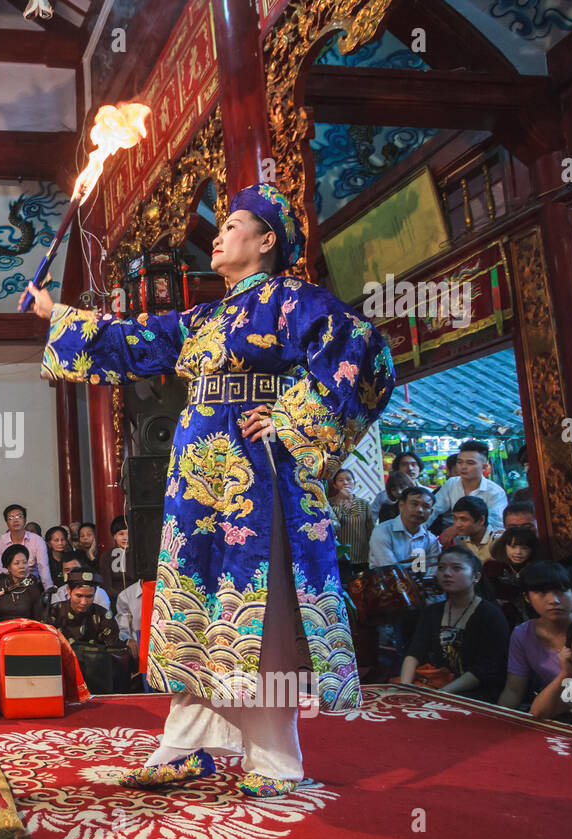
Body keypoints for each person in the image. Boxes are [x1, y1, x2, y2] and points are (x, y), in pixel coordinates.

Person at [27, 182, 395, 796]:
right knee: (195, 605)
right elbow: (131, 339)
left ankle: (275, 757)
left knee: (262, 605)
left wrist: (291, 418)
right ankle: (185, 744)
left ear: (267, 240)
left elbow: (362, 350)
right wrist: (53, 314)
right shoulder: (206, 317)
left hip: (261, 475)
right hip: (198, 477)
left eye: (231, 224)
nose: (218, 235)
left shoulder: (293, 300)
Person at [398, 546, 510, 703]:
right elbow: (414, 653)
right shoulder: (432, 612)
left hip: (477, 693)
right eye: (441, 568)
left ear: (476, 577)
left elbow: (485, 669)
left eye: (456, 568)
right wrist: (405, 689)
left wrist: (441, 694)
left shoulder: (490, 615)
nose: (447, 573)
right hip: (438, 685)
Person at [496, 561, 572, 710]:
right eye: (542, 593)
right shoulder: (522, 634)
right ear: (527, 598)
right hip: (553, 710)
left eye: (560, 591)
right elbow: (514, 690)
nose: (554, 600)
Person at [48, 569, 134, 694]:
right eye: (79, 596)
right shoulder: (54, 612)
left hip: (96, 676)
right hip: (62, 675)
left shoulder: (103, 614)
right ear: (68, 591)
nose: (84, 602)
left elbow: (113, 647)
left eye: (89, 596)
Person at [433, 440, 509, 534]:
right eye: (460, 462)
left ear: (484, 467)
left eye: (470, 463)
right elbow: (434, 509)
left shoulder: (495, 492)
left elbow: (497, 525)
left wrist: (456, 529)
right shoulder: (451, 484)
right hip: (455, 544)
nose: (463, 467)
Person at [368, 486, 439, 574]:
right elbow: (390, 571)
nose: (420, 510)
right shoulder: (383, 531)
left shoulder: (431, 541)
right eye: (414, 504)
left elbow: (431, 574)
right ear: (401, 505)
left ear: (431, 512)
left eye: (425, 506)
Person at [482, 527, 542, 628]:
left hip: (535, 621)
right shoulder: (492, 568)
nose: (518, 552)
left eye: (524, 548)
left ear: (532, 549)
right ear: (504, 546)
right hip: (500, 620)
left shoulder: (539, 569)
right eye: (512, 547)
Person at [0, 543, 47, 632]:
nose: (22, 567)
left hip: (26, 633)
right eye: (16, 563)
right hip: (2, 634)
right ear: (8, 567)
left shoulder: (32, 588)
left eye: (24, 562)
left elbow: (38, 618)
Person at [0, 504, 53, 589]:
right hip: (7, 584)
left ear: (25, 520)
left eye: (19, 516)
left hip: (31, 583)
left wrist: (49, 589)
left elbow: (43, 567)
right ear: (7, 523)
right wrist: (18, 572)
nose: (15, 520)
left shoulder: (37, 540)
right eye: (11, 518)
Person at [328, 468, 372, 578]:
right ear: (335, 485)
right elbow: (335, 525)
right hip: (340, 556)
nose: (345, 482)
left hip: (363, 556)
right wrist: (340, 501)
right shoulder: (330, 503)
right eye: (340, 480)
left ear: (354, 483)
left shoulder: (364, 504)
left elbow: (371, 530)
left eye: (348, 479)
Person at [48, 551, 112, 614]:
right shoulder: (57, 594)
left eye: (75, 569)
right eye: (67, 570)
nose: (71, 573)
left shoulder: (100, 593)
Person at [372, 451, 425, 518]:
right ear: (397, 468)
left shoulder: (428, 493)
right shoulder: (384, 496)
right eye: (404, 465)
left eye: (413, 464)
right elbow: (371, 519)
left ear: (419, 468)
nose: (410, 468)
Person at [450, 495, 498, 563]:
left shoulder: (498, 541)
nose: (457, 524)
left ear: (481, 520)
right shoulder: (458, 541)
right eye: (455, 518)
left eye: (463, 519)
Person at [98, 515, 136, 597]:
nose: (125, 538)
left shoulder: (139, 554)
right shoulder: (106, 556)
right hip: (115, 599)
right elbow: (106, 586)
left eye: (128, 533)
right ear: (114, 536)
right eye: (121, 534)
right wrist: (122, 597)